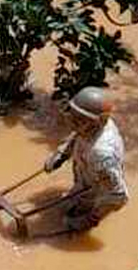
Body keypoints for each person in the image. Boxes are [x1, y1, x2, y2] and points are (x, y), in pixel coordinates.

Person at [43, 86, 128, 232]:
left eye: (79, 120)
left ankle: (82, 211)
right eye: (73, 115)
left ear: (97, 123)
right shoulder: (91, 125)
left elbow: (119, 196)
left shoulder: (101, 153)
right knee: (62, 206)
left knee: (67, 222)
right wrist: (62, 152)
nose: (72, 122)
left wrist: (89, 220)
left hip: (95, 190)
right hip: (86, 170)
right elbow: (78, 133)